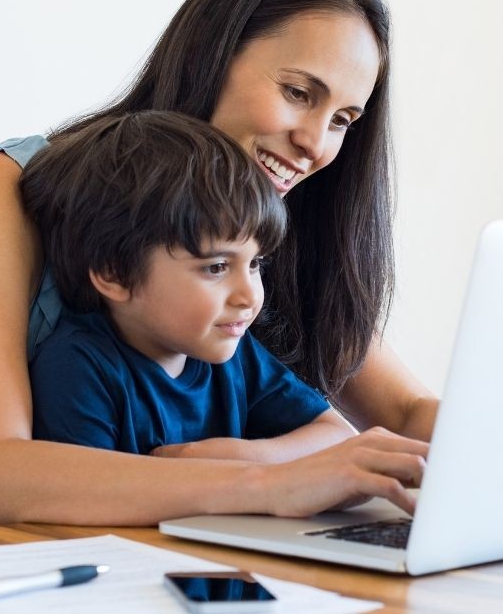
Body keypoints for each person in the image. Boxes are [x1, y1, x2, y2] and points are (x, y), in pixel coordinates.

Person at [0, 0, 439, 535]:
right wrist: (271, 482)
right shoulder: (2, 187)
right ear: (210, 57)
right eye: (299, 93)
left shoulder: (262, 229)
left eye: (343, 121)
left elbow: (403, 413)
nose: (317, 145)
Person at [22, 110, 355, 468]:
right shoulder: (78, 367)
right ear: (114, 273)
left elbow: (336, 435)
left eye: (256, 263)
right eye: (216, 267)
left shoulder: (235, 352)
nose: (249, 296)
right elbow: (80, 499)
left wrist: (244, 459)